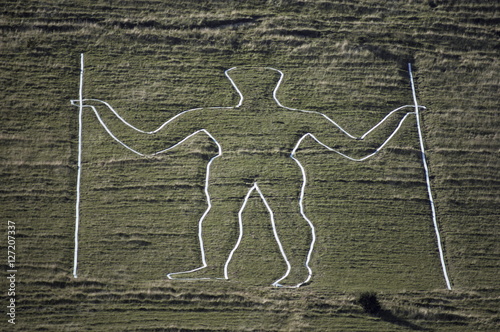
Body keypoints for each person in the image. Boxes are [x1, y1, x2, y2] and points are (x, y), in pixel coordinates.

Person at [72, 67, 421, 287]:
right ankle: (216, 267)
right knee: (229, 213)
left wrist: (400, 116)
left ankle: (295, 269)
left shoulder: (286, 116)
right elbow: (148, 143)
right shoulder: (222, 115)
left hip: (270, 165)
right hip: (247, 166)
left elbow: (357, 148)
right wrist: (100, 110)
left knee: (279, 214)